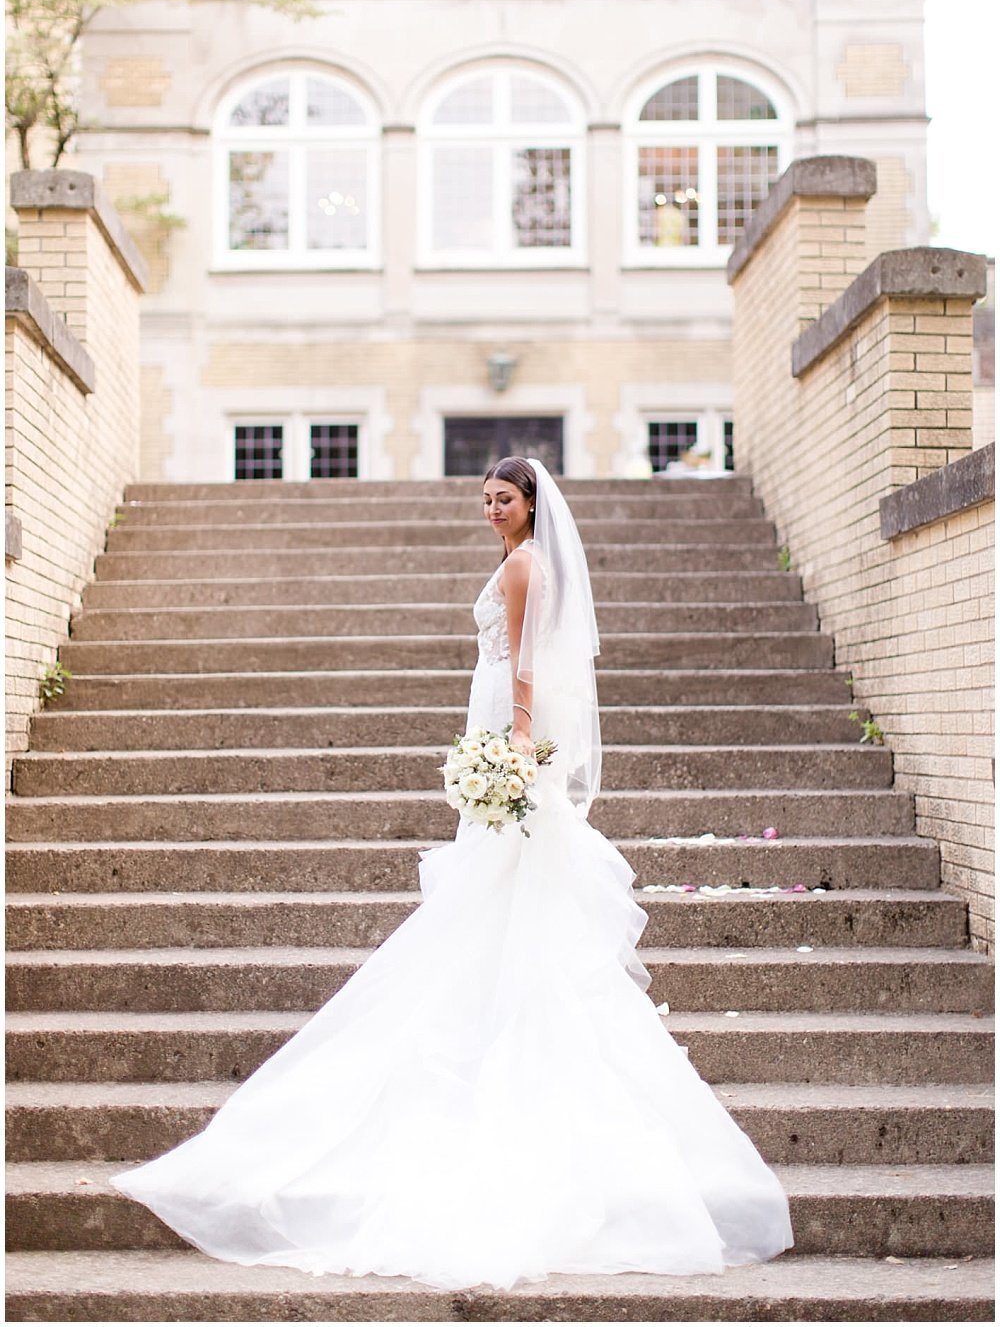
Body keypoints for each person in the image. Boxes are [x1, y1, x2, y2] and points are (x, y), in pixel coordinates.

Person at [113, 456, 793, 1289]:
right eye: (483, 499)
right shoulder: (532, 561)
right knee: (503, 887)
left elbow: (524, 665)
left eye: (502, 498)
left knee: (496, 884)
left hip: (506, 725)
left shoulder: (521, 563)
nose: (490, 509)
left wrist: (510, 745)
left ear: (531, 502)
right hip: (508, 731)